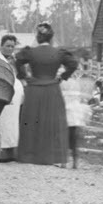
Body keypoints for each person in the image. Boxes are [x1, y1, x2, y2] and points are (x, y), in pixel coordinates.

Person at [14, 22, 79, 167]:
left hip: (34, 89)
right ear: (51, 38)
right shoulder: (58, 53)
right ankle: (51, 155)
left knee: (32, 120)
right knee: (51, 121)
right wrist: (62, 77)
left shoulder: (30, 52)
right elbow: (74, 64)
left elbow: (17, 60)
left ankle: (30, 154)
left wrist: (24, 76)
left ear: (38, 38)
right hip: (52, 88)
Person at [0, 34, 25, 162]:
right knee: (1, 120)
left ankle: (11, 150)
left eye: (12, 46)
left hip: (16, 93)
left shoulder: (15, 60)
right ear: (1, 46)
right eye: (7, 46)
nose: (10, 49)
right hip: (1, 92)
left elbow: (21, 75)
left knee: (13, 122)